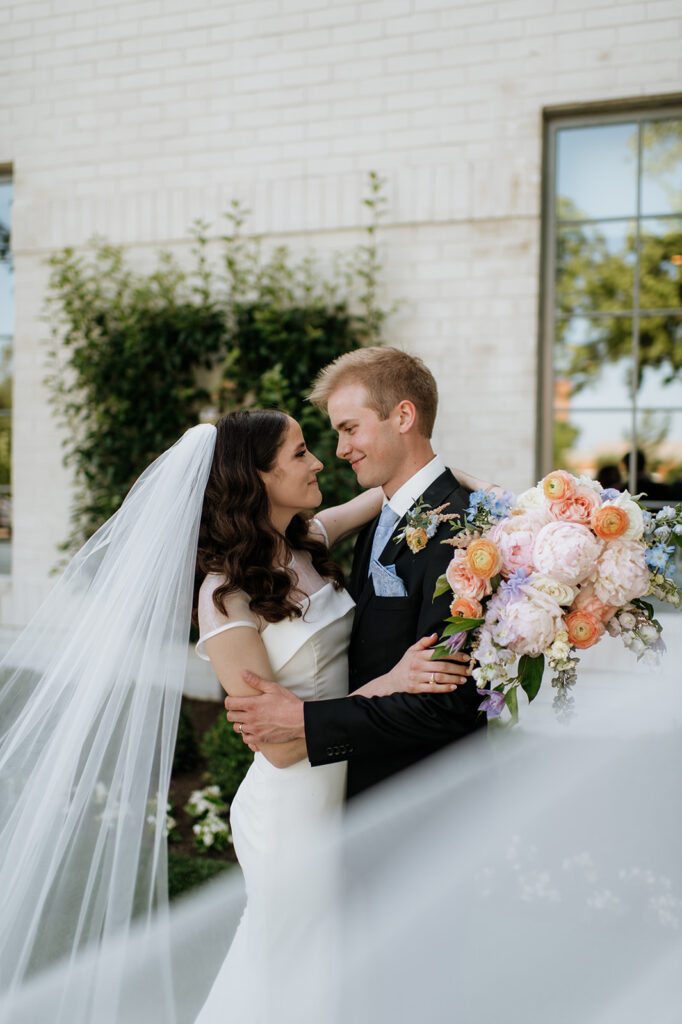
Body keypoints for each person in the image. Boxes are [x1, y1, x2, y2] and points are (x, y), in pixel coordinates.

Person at [223, 347, 487, 797]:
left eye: (349, 429)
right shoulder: (384, 516)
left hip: (423, 804)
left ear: (403, 416)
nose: (339, 451)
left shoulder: (463, 536)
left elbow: (450, 706)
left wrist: (302, 719)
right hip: (361, 792)